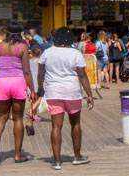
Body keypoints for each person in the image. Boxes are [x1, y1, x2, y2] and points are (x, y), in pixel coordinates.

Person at [38, 27, 94, 170]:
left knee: (56, 126)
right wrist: (89, 95)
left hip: (53, 92)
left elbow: (40, 73)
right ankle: (77, 156)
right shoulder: (75, 53)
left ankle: (57, 162)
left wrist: (40, 89)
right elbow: (82, 75)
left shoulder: (47, 53)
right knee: (75, 124)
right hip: (72, 92)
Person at [0, 24, 35, 164]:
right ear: (20, 33)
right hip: (18, 82)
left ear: (6, 33)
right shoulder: (22, 47)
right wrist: (32, 89)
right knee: (18, 118)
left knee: (1, 117)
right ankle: (17, 155)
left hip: (2, 82)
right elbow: (26, 71)